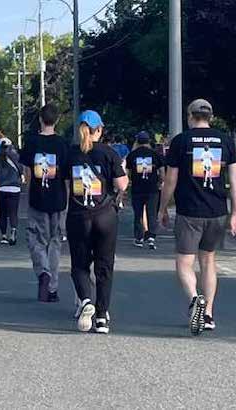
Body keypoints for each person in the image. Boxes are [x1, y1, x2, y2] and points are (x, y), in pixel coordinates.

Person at [158, 99, 236, 335]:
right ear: (211, 117)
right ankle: (208, 315)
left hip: (189, 211)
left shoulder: (181, 141)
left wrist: (162, 208)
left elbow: (170, 180)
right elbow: (235, 179)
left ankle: (195, 299)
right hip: (217, 211)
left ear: (190, 116)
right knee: (208, 261)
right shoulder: (225, 140)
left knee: (184, 263)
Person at [67, 111, 128, 334]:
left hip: (78, 215)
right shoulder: (109, 153)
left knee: (79, 265)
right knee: (104, 267)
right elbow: (121, 185)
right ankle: (102, 316)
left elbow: (65, 183)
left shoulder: (71, 153)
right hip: (105, 215)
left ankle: (85, 300)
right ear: (99, 130)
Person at [20, 104, 68, 303]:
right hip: (58, 198)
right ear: (57, 120)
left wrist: (29, 191)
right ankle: (52, 288)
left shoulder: (31, 142)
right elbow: (66, 175)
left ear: (40, 119)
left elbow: (27, 173)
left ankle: (43, 271)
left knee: (36, 239)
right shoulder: (63, 144)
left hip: (38, 197)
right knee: (55, 242)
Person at [126, 131, 165, 250]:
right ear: (149, 141)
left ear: (137, 141)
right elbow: (162, 171)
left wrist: (129, 183)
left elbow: (127, 172)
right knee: (152, 213)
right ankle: (151, 237)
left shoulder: (132, 155)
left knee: (138, 214)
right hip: (152, 189)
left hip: (137, 188)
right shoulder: (155, 154)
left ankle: (139, 238)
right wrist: (161, 182)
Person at [0, 137, 23, 245]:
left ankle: (3, 235)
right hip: (14, 188)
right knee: (13, 212)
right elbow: (21, 169)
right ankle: (13, 230)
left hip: (1, 187)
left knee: (2, 212)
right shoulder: (16, 157)